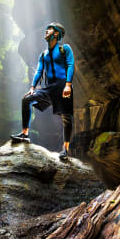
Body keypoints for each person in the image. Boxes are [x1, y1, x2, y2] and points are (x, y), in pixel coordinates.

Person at [10, 22, 74, 160]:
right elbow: (39, 71)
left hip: (63, 86)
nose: (46, 31)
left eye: (49, 30)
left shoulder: (65, 49)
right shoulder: (43, 54)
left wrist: (68, 84)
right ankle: (24, 134)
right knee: (26, 99)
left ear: (56, 33)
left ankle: (66, 149)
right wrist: (32, 88)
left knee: (66, 117)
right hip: (49, 89)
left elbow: (70, 65)